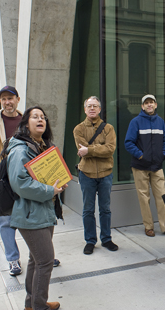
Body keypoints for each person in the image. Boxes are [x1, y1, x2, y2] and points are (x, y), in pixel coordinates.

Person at [0, 86, 61, 274]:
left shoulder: (25, 120)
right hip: (6, 182)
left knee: (37, 219)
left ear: (17, 99)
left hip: (30, 178)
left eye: (10, 98)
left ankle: (42, 254)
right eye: (3, 99)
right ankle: (13, 259)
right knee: (7, 222)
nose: (7, 102)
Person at [5, 106, 67, 310]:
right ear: (25, 124)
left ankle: (31, 304)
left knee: (36, 259)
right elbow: (19, 183)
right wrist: (51, 190)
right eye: (35, 117)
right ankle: (39, 306)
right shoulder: (20, 149)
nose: (41, 119)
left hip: (43, 211)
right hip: (30, 214)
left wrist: (58, 185)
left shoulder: (41, 147)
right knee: (46, 261)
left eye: (43, 117)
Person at [124, 94, 165, 238]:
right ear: (142, 106)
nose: (149, 105)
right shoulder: (135, 122)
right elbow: (128, 142)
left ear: (155, 105)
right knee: (144, 197)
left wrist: (164, 155)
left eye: (151, 102)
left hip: (157, 166)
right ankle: (148, 226)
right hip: (140, 166)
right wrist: (141, 155)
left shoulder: (160, 122)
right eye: (146, 103)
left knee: (162, 196)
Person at [73, 96, 118, 254]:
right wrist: (99, 147)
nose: (92, 108)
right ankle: (90, 241)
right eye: (89, 106)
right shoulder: (78, 129)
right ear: (85, 109)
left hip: (106, 174)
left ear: (100, 109)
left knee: (105, 209)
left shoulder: (109, 128)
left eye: (95, 106)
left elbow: (110, 149)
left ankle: (106, 239)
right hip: (87, 174)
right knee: (88, 209)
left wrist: (90, 150)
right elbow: (82, 150)